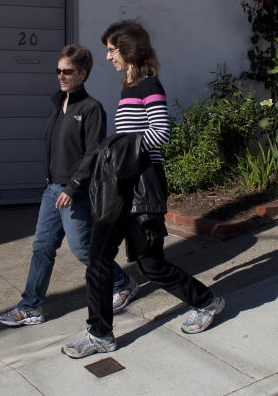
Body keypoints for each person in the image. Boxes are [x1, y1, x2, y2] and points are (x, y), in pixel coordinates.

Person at [62, 21, 225, 358]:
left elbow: (161, 133)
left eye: (111, 49)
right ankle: (100, 333)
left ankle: (207, 301)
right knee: (99, 257)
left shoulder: (150, 85)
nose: (107, 57)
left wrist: (119, 149)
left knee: (150, 264)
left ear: (129, 49)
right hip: (122, 186)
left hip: (142, 187)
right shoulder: (129, 88)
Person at [0, 44, 139, 327]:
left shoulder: (91, 109)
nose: (61, 76)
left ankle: (122, 282)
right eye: (58, 71)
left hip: (74, 193)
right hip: (52, 190)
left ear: (83, 74)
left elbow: (92, 153)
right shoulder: (57, 103)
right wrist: (54, 184)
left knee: (83, 248)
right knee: (42, 247)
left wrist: (72, 187)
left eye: (68, 72)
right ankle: (31, 307)